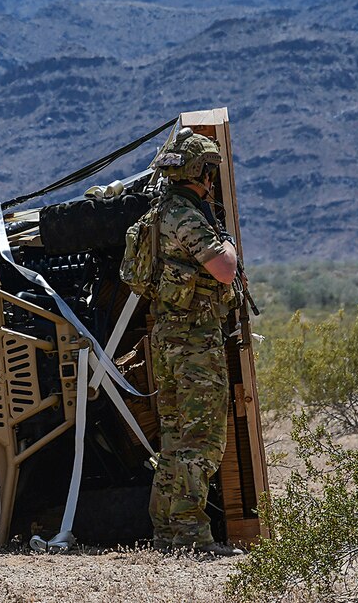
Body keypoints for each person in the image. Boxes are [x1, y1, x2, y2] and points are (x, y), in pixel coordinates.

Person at [145, 130, 243, 556]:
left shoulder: (158, 212)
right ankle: (190, 536)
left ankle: (167, 531)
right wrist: (230, 246)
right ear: (199, 171)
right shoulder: (186, 216)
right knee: (201, 441)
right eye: (209, 171)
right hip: (194, 343)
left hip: (169, 338)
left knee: (173, 437)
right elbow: (223, 269)